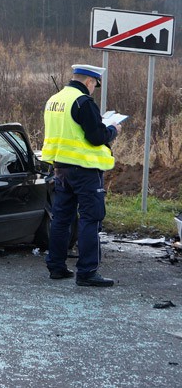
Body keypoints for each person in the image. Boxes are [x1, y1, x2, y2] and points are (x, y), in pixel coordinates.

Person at [42, 64, 121, 287]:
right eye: (95, 84)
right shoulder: (83, 102)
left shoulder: (54, 100)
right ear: (89, 81)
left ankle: (56, 266)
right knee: (90, 218)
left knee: (61, 218)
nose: (94, 88)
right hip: (84, 170)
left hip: (60, 168)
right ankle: (87, 272)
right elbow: (96, 137)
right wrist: (113, 129)